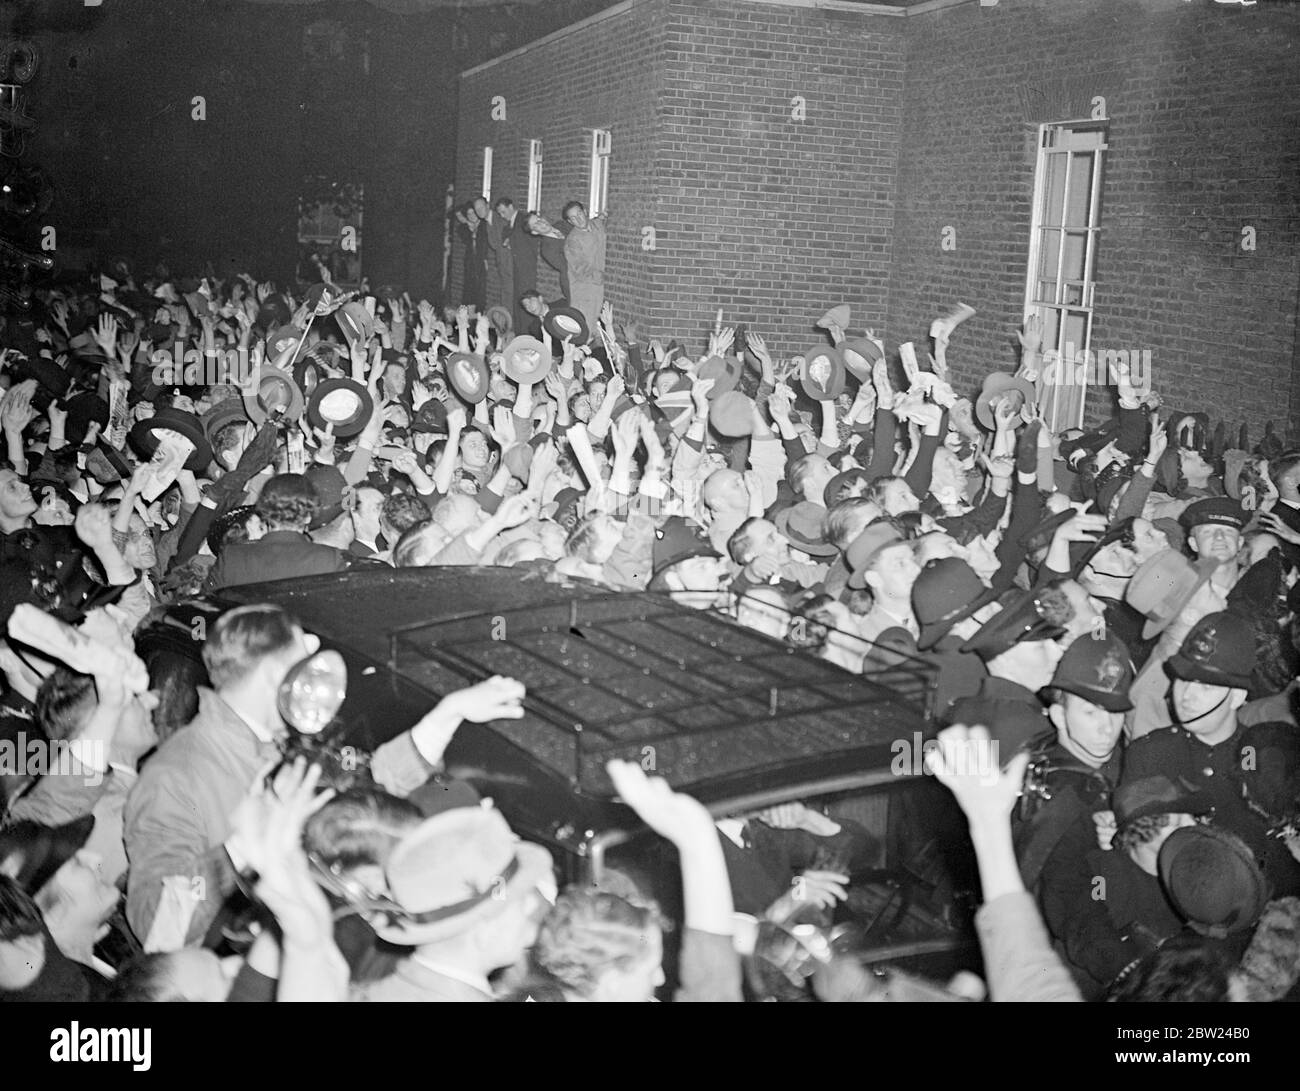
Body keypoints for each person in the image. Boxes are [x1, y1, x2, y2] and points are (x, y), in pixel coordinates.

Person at [204, 473, 348, 589]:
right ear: (308, 517)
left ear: (264, 513)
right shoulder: (330, 559)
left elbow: (205, 610)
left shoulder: (232, 558)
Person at [562, 200, 607, 335]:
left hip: (601, 286)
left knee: (602, 330)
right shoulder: (572, 241)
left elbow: (601, 219)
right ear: (570, 222)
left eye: (579, 214)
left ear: (585, 212)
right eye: (573, 218)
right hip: (585, 290)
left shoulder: (597, 226)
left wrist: (603, 216)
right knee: (586, 329)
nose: (578, 219)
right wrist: (603, 276)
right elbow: (580, 269)